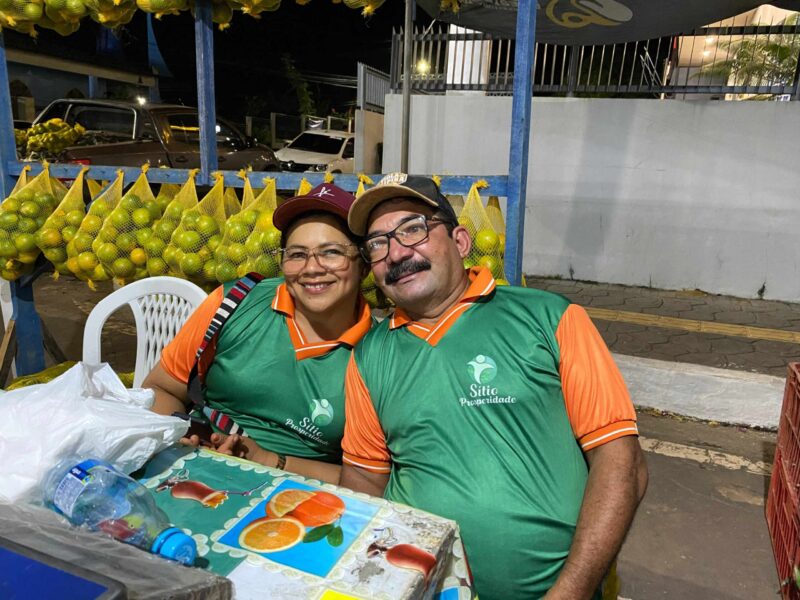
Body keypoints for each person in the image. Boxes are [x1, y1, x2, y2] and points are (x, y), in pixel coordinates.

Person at [339, 174, 649, 600]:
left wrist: (571, 593)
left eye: (413, 229)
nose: (396, 253)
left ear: (461, 242)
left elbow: (622, 461)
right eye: (377, 243)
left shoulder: (547, 318)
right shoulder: (370, 354)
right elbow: (363, 477)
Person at [143, 183, 371, 483]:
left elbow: (370, 481)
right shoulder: (234, 303)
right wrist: (180, 435)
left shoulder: (377, 355)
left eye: (331, 253)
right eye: (297, 254)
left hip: (297, 498)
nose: (312, 268)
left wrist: (266, 460)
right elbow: (162, 388)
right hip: (192, 469)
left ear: (364, 264)